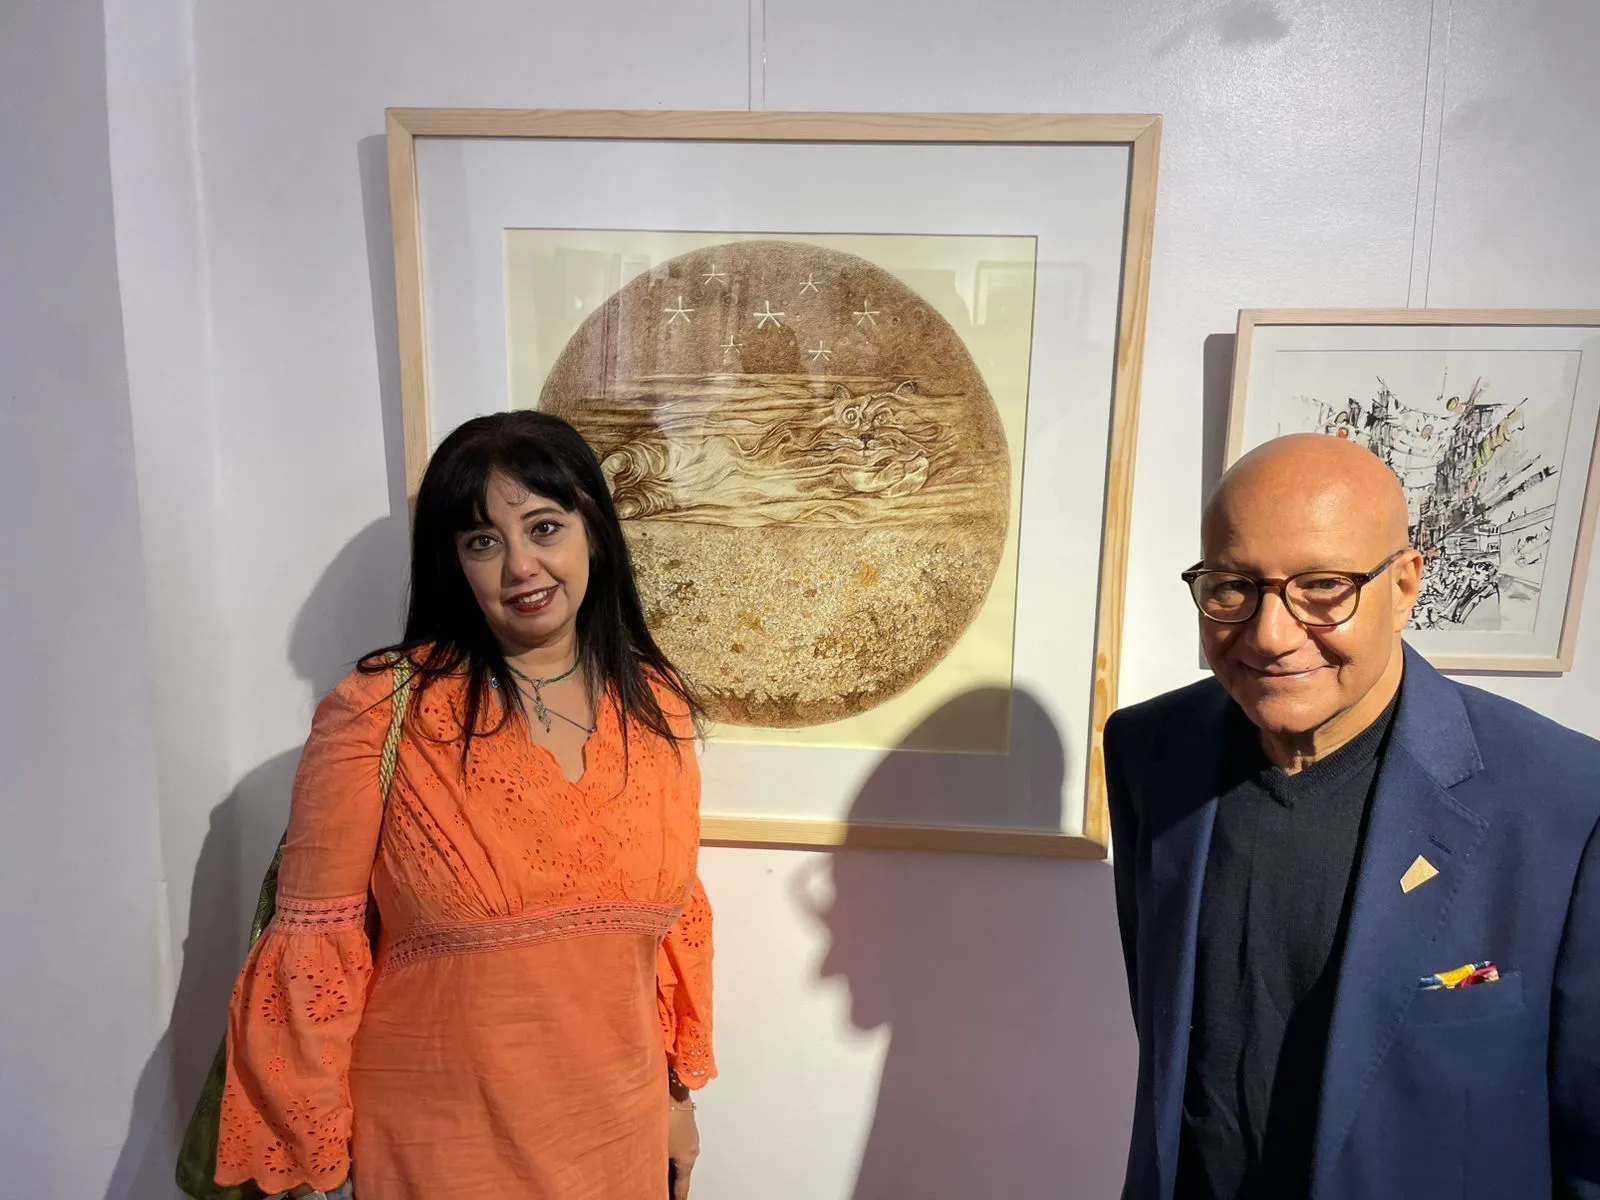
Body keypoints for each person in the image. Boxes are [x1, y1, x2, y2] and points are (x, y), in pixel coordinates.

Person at [215, 411, 715, 1200]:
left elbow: (659, 948)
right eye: (484, 541)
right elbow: (313, 951)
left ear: (593, 531)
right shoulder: (378, 709)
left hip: (618, 1138)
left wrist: (676, 1102)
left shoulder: (656, 705)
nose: (521, 565)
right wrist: (315, 1161)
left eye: (544, 527)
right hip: (438, 1147)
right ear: (454, 563)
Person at [1105, 433, 1600, 1198]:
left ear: (1404, 586)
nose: (1270, 635)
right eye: (1233, 586)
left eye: (1322, 587)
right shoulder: (1148, 750)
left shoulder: (1565, 800)